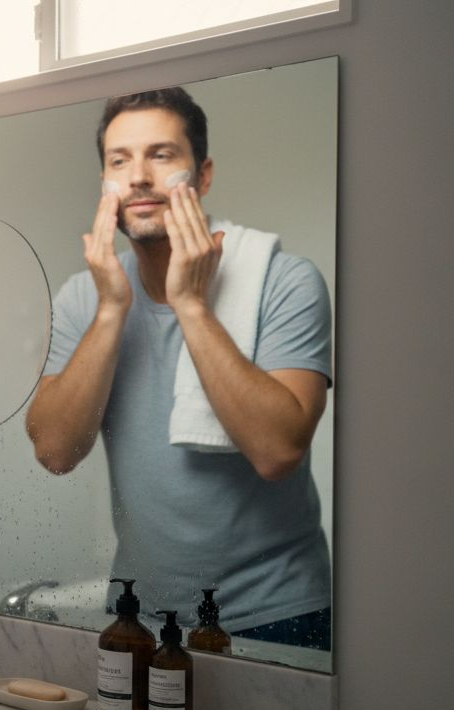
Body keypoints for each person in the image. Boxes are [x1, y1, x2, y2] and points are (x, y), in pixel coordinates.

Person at [25, 88, 333, 650]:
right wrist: (112, 311)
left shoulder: (284, 282)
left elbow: (278, 450)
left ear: (203, 175)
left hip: (277, 612)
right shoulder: (82, 299)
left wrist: (191, 303)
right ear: (105, 183)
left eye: (161, 155)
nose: (139, 176)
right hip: (137, 615)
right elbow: (55, 451)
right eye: (120, 161)